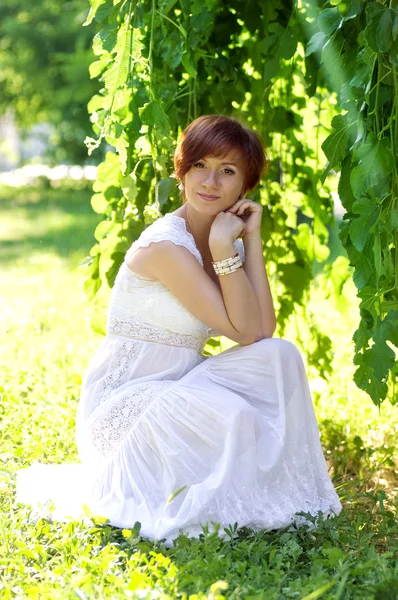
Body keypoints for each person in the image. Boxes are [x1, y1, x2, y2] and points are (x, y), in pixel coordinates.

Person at [17, 114, 342, 546]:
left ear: (245, 186)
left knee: (282, 355)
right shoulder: (167, 247)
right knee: (237, 417)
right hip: (126, 408)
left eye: (227, 171)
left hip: (182, 385)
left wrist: (253, 240)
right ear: (181, 170)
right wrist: (227, 248)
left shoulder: (226, 238)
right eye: (199, 166)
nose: (210, 181)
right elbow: (241, 333)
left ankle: (263, 490)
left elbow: (262, 331)